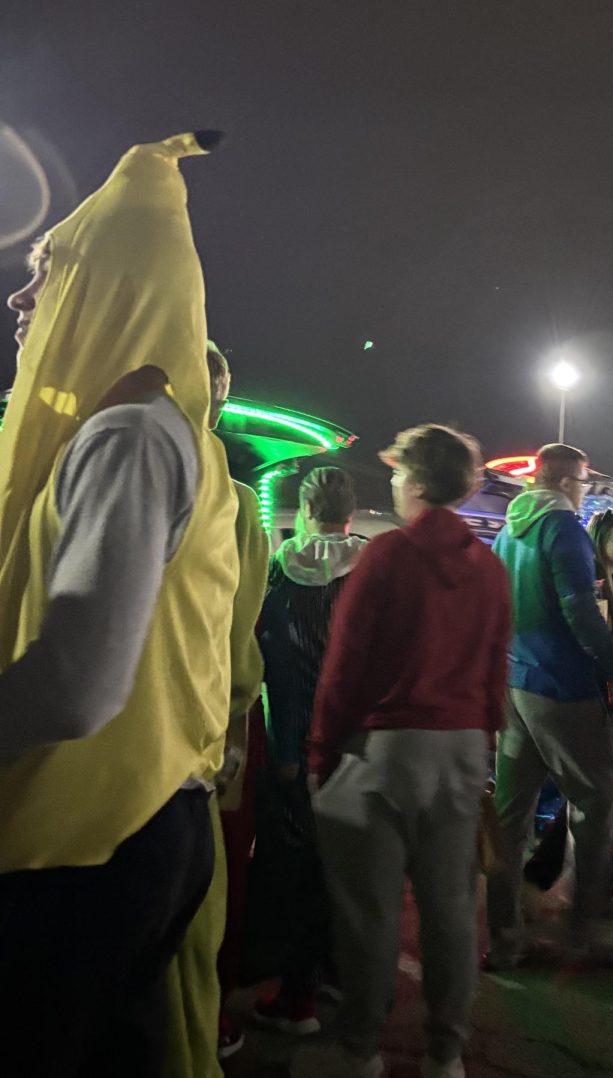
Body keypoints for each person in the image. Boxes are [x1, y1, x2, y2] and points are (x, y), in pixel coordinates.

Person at [0, 132, 240, 1077]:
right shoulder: (169, 426)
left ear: (121, 283)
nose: (24, 298)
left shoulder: (128, 436)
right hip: (139, 824)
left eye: (50, 268)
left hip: (93, 838)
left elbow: (78, 684)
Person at [293, 425, 511, 1078]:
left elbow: (345, 670)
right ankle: (446, 1056)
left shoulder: (386, 558)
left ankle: (360, 1051)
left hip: (387, 752)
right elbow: (495, 667)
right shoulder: (488, 567)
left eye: (396, 474)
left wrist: (319, 757)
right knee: (450, 914)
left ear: (415, 481)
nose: (391, 484)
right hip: (463, 748)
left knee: (371, 916)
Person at [162, 342, 270, 1076]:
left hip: (187, 729)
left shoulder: (165, 469)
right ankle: (210, 1026)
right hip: (216, 724)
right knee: (204, 890)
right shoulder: (231, 494)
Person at [485, 444, 613, 970]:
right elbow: (576, 609)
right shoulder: (563, 527)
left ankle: (505, 935)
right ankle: (581, 933)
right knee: (597, 801)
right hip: (563, 687)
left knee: (510, 814)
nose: (586, 493)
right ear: (570, 481)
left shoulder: (509, 529)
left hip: (516, 683)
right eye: (585, 483)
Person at [247, 466, 368, 1035]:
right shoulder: (371, 566)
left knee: (297, 866)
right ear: (351, 506)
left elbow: (273, 664)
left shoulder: (279, 568)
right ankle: (346, 972)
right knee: (351, 860)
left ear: (302, 504)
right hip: (359, 741)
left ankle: (297, 994)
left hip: (294, 739)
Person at [519, 509, 613, 921]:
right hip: (593, 696)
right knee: (601, 798)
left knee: (601, 799)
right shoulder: (591, 583)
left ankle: (566, 882)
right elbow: (587, 636)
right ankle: (580, 896)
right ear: (598, 542)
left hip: (609, 697)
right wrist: (612, 678)